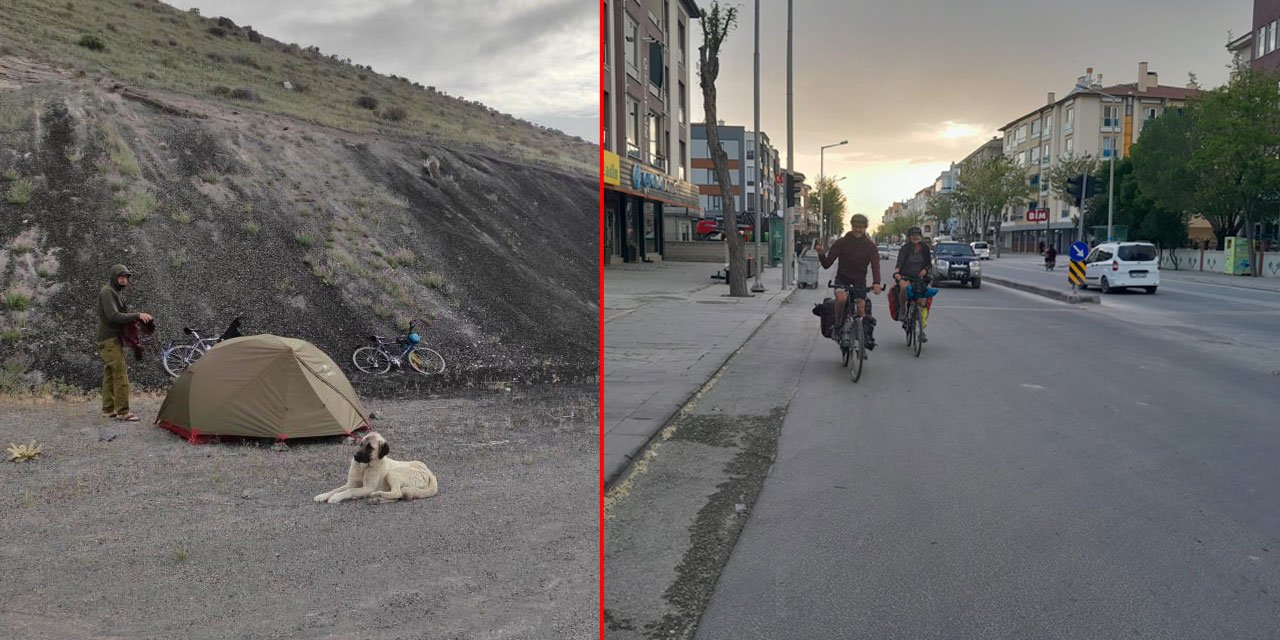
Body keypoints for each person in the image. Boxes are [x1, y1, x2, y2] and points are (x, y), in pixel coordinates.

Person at [815, 214, 882, 350]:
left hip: (859, 283)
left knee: (862, 307)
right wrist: (821, 254)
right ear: (851, 226)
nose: (858, 229)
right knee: (841, 299)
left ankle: (863, 337)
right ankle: (838, 325)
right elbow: (827, 264)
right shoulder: (841, 242)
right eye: (855, 226)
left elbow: (875, 265)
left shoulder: (870, 246)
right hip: (842, 280)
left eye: (861, 227)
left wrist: (876, 282)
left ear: (865, 228)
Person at [97, 264, 153, 421]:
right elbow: (113, 316)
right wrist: (137, 315)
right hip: (109, 340)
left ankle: (108, 409)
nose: (123, 279)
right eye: (120, 276)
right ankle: (123, 412)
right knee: (121, 374)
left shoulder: (116, 293)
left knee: (110, 373)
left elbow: (120, 316)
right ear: (114, 277)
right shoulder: (107, 292)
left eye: (126, 277)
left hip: (112, 339)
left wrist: (136, 318)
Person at [893, 227, 933, 339]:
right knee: (903, 287)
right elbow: (899, 263)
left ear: (921, 236)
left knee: (923, 300)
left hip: (921, 278)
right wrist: (897, 273)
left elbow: (929, 264)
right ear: (909, 237)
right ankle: (903, 309)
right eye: (913, 235)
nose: (915, 237)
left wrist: (925, 270)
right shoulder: (905, 248)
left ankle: (921, 329)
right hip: (906, 276)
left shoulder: (925, 248)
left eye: (918, 235)